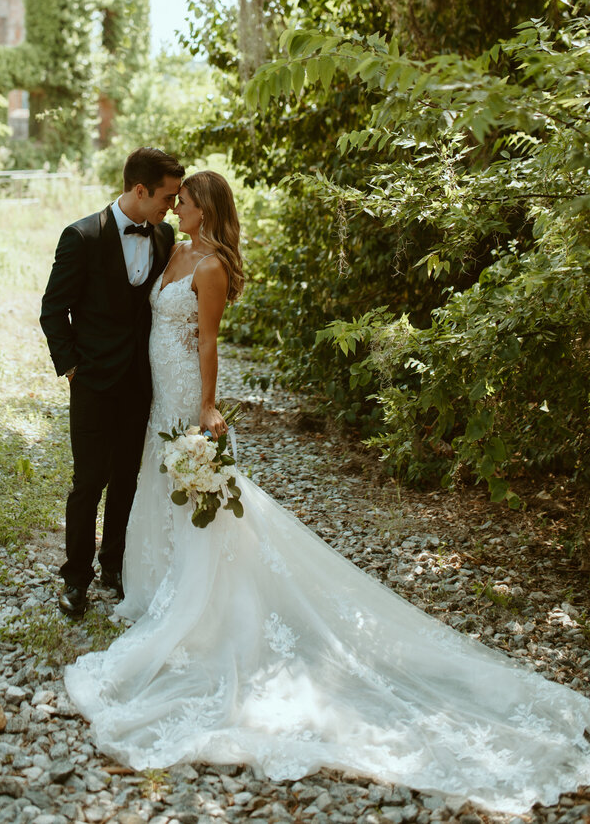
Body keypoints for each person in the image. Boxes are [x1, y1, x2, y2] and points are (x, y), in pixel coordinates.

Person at [63, 170, 590, 813]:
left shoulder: (212, 269)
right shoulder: (173, 247)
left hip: (182, 395)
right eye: (175, 196)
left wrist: (205, 404)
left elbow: (208, 340)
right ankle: (154, 585)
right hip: (151, 393)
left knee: (199, 495)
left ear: (205, 208)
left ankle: (202, 605)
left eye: (186, 198)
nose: (177, 203)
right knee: (157, 484)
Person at [40, 146, 184, 619]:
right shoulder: (81, 236)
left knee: (127, 480)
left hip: (142, 383)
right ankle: (75, 577)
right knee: (88, 482)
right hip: (94, 382)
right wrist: (73, 367)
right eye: (167, 196)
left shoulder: (163, 236)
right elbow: (52, 310)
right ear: (139, 190)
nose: (172, 207)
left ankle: (114, 565)